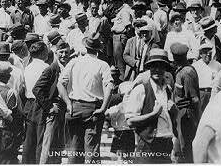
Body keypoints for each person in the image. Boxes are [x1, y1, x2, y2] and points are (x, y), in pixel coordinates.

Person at [58, 35, 114, 163]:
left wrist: (68, 103)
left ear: (86, 47)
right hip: (93, 108)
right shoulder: (103, 65)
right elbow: (109, 86)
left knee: (73, 149)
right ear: (98, 49)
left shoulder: (74, 62)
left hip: (74, 107)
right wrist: (104, 108)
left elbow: (60, 83)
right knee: (91, 150)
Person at [124, 48, 177, 163]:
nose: (157, 70)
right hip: (148, 146)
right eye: (154, 66)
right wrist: (153, 114)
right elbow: (130, 121)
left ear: (165, 69)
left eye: (161, 66)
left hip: (166, 144)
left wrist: (174, 111)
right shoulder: (141, 89)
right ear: (149, 68)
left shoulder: (167, 90)